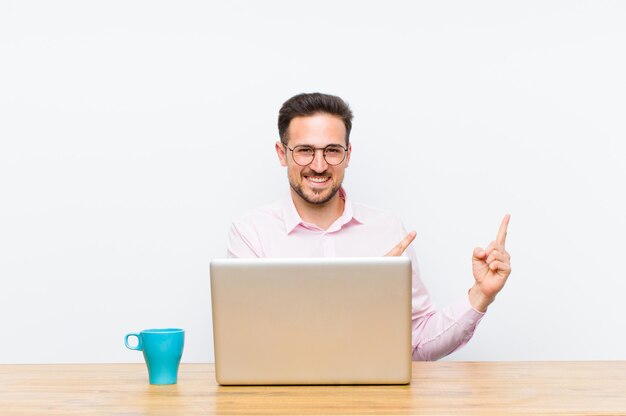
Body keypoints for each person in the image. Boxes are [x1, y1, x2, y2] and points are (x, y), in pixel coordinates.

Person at [227, 92, 512, 361]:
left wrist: (481, 294)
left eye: (332, 150)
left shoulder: (387, 230)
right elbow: (248, 346)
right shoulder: (251, 234)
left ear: (348, 155)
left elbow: (418, 344)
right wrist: (364, 296)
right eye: (304, 150)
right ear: (282, 153)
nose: (318, 165)